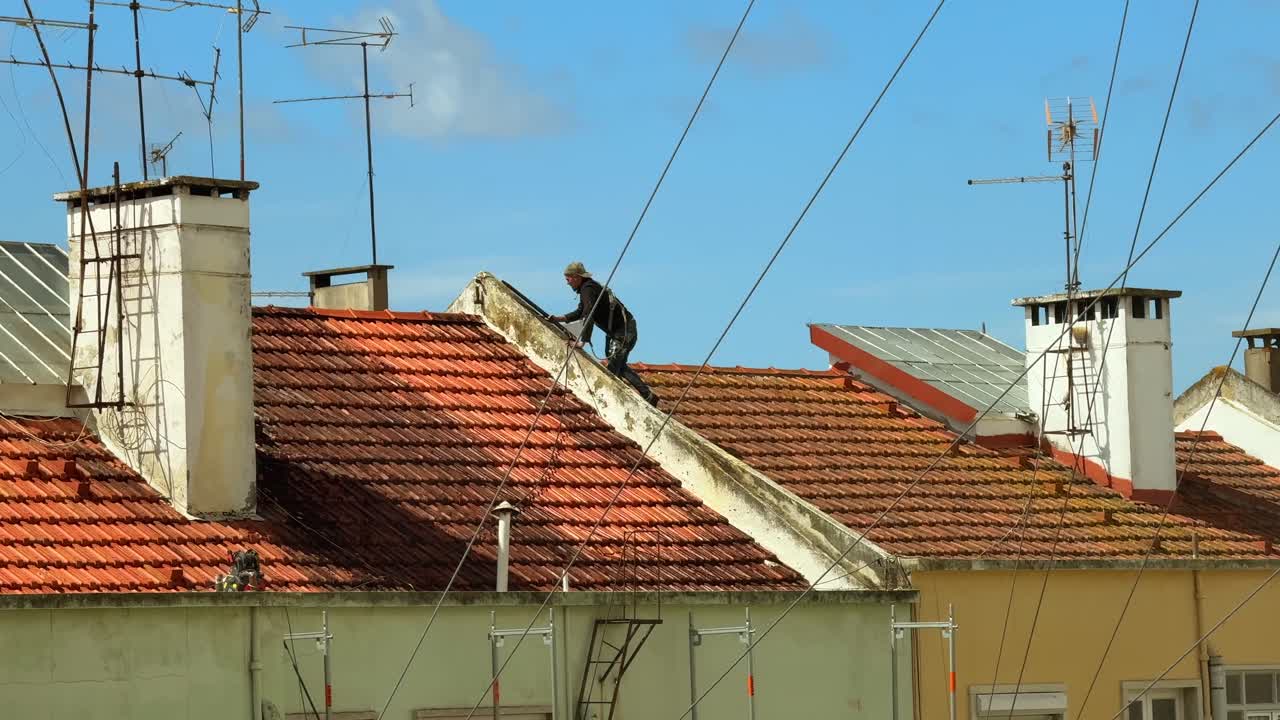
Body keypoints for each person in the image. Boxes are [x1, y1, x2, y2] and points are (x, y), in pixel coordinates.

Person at [549, 262, 659, 406]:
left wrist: (583, 341)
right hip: (619, 332)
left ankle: (624, 401)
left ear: (576, 277)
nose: (567, 282)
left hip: (623, 332)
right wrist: (559, 318)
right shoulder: (587, 289)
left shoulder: (588, 289)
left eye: (568, 278)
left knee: (612, 371)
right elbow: (581, 312)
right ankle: (647, 396)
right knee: (618, 366)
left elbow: (588, 315)